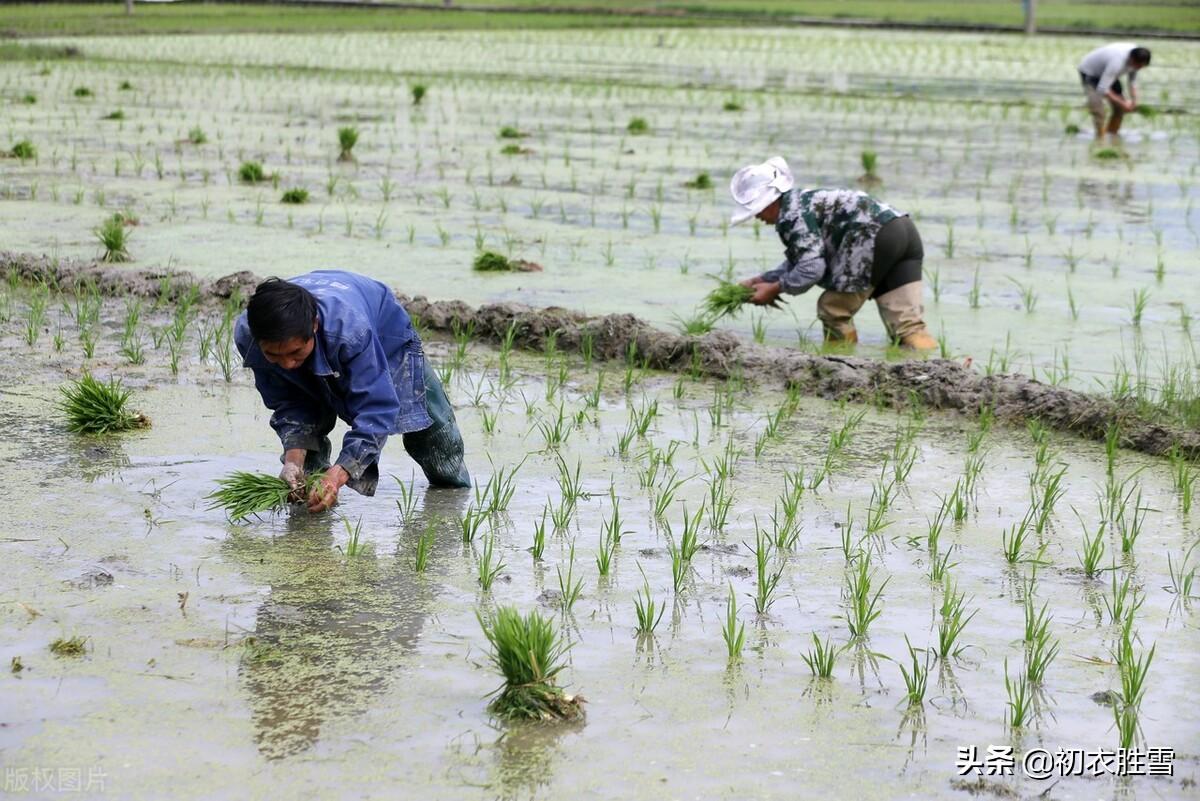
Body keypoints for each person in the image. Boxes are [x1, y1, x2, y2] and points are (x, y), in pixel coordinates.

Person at [235, 270, 470, 513]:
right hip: (335, 323)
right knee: (306, 449)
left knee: (426, 421)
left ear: (314, 326)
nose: (286, 364)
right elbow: (288, 402)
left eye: (295, 352)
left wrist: (339, 474)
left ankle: (454, 494)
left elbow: (376, 409)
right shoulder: (248, 335)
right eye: (273, 355)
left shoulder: (351, 331)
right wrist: (293, 461)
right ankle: (308, 496)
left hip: (383, 332)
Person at [730, 156, 936, 351]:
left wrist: (775, 288)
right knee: (908, 326)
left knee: (833, 309)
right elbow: (803, 259)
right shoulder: (803, 202)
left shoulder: (792, 216)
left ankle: (842, 365)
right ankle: (937, 369)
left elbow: (812, 268)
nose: (756, 216)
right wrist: (760, 280)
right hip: (902, 229)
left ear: (769, 202)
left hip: (872, 238)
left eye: (756, 209)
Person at [1078, 43, 1151, 140]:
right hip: (1090, 73)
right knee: (1099, 111)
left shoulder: (1137, 59)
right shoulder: (1117, 62)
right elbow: (1102, 88)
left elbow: (1132, 82)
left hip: (1108, 73)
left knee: (1119, 109)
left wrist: (1134, 101)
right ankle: (1100, 140)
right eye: (1138, 66)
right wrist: (1123, 103)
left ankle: (1112, 135)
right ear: (1132, 60)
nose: (1139, 69)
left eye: (1141, 67)